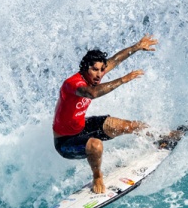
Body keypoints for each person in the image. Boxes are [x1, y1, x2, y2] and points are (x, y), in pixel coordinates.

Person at [53, 35, 158, 193]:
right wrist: (123, 79)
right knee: (96, 145)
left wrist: (136, 46)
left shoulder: (97, 73)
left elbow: (115, 60)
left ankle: (164, 136)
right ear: (85, 68)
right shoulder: (73, 84)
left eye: (102, 70)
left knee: (128, 125)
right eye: (94, 70)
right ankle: (97, 177)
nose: (99, 74)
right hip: (65, 142)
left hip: (82, 126)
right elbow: (92, 94)